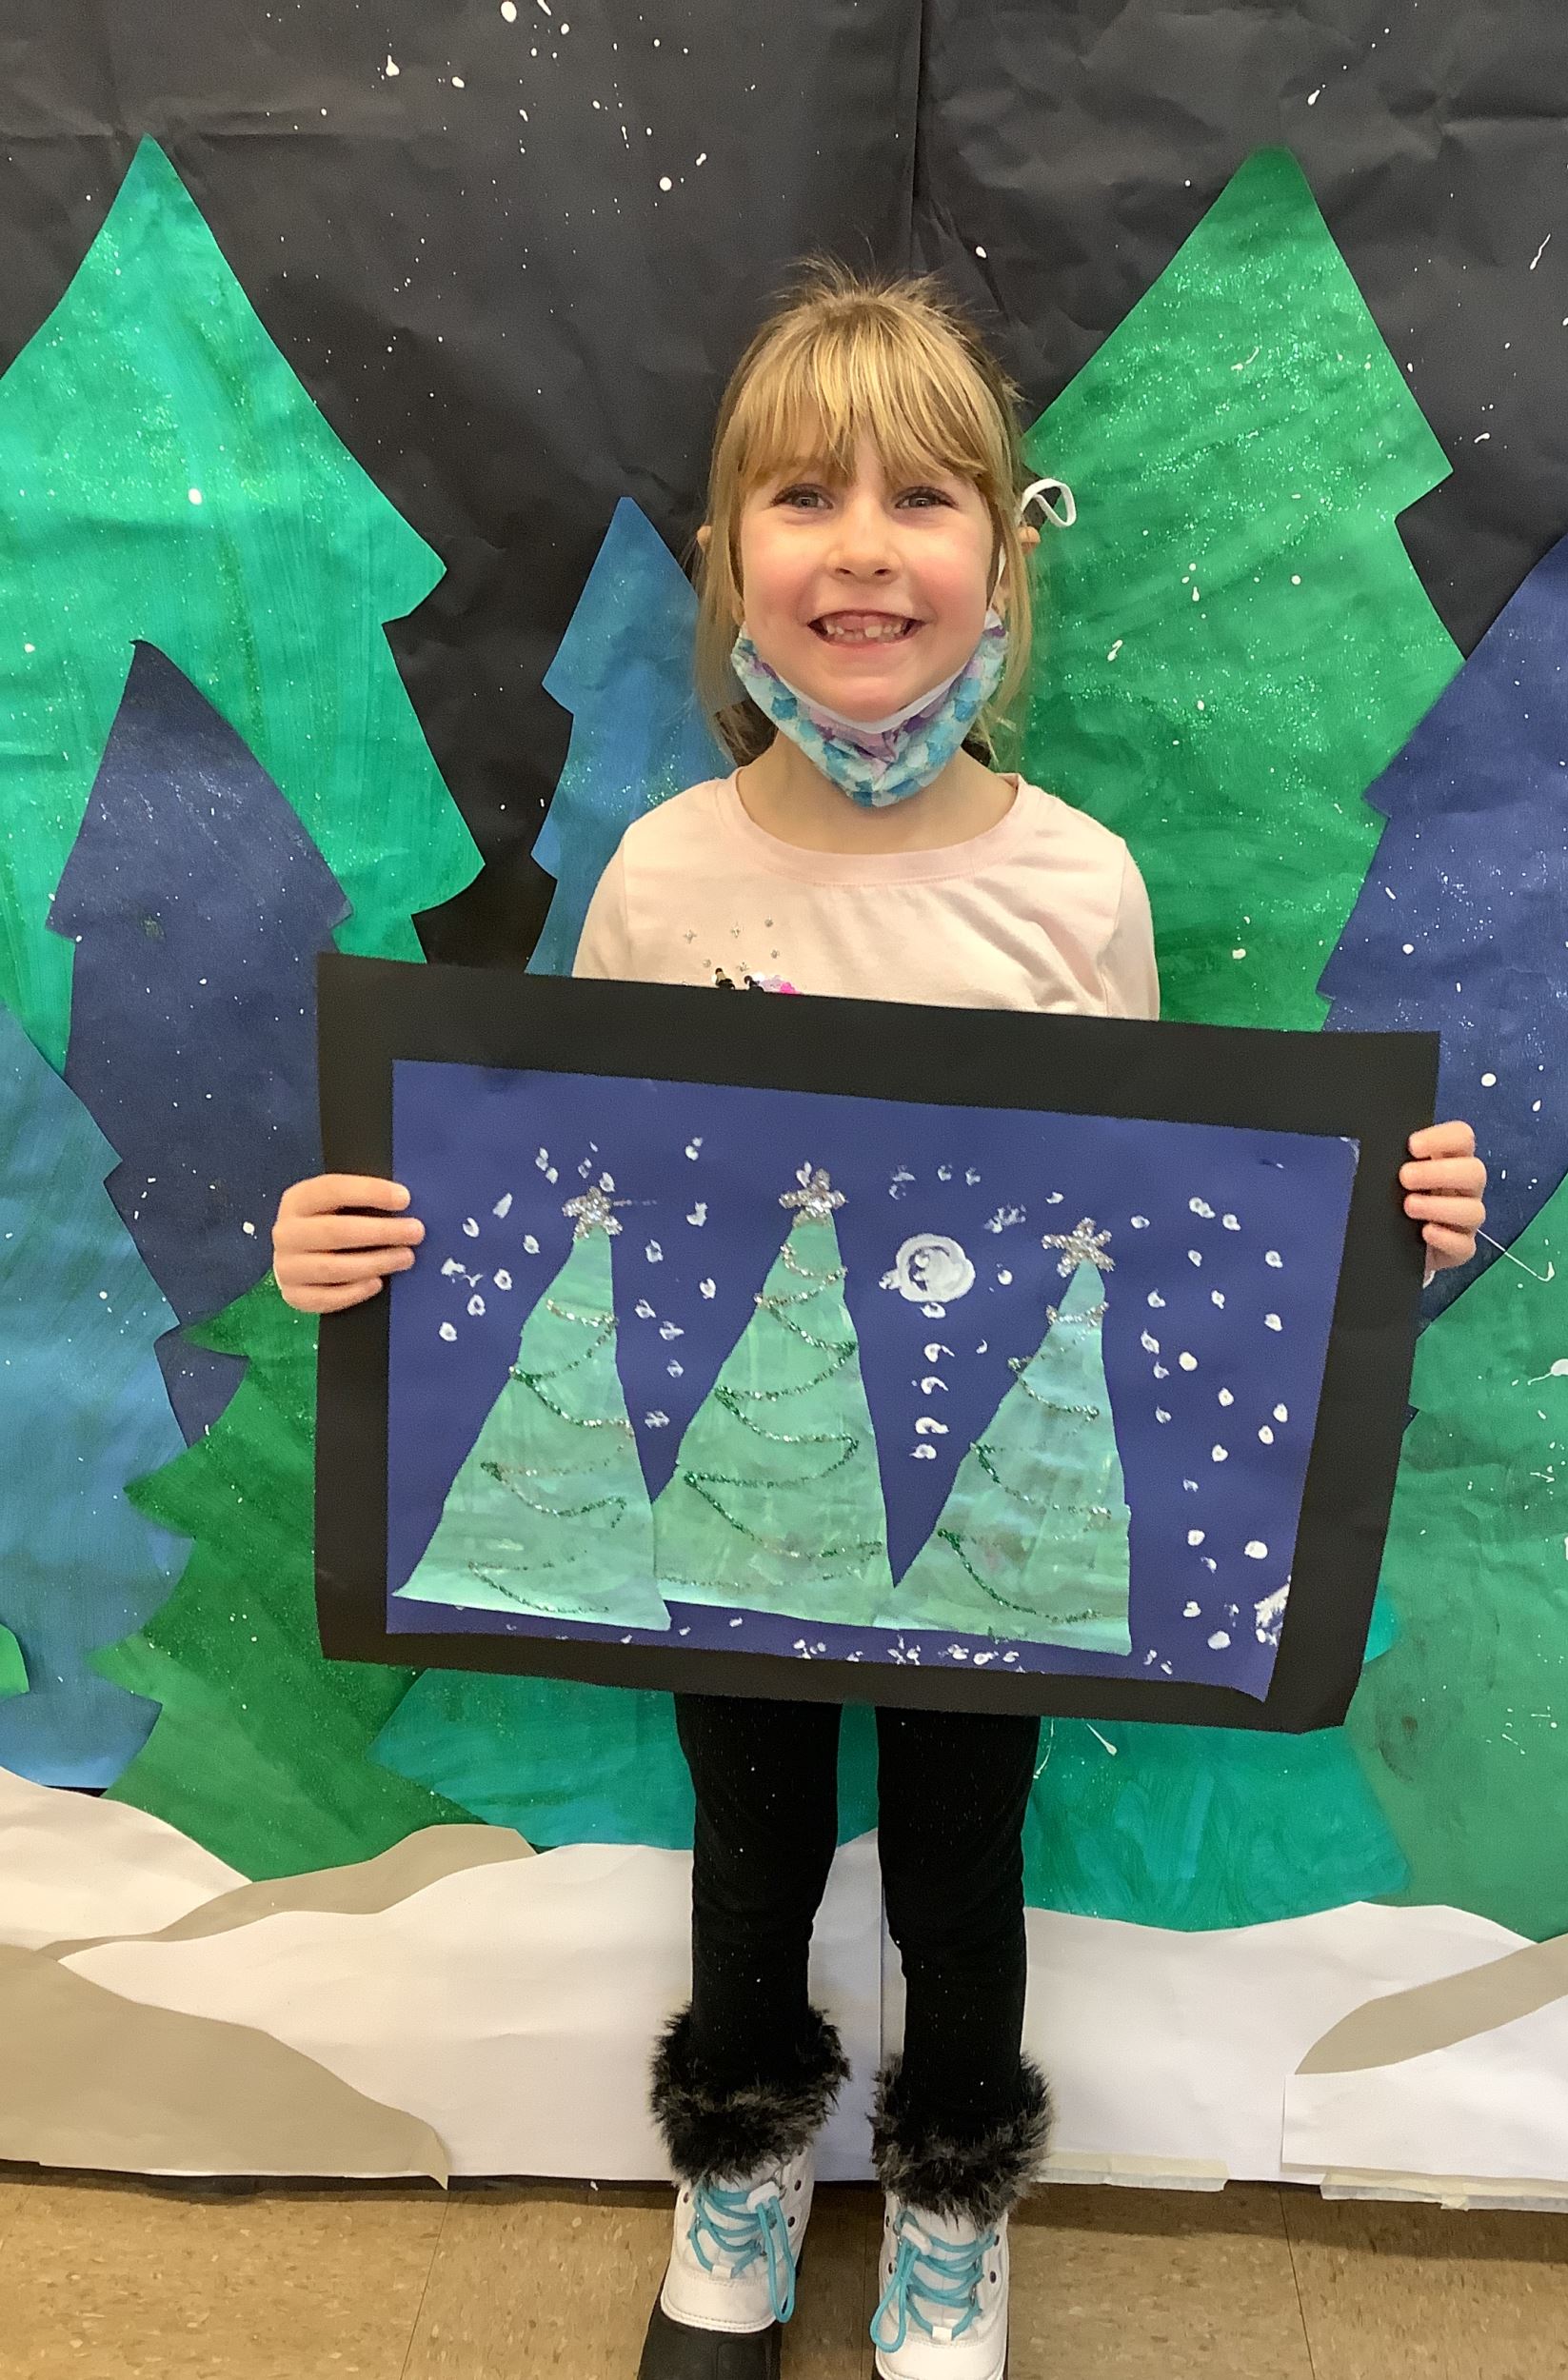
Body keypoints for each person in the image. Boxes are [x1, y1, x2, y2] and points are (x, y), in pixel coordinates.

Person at [274, 263, 1488, 2380]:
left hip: (997, 1526)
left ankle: (948, 2206)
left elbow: (1162, 1225)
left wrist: (1381, 1240)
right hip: (733, 1497)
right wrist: (363, 1239)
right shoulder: (659, 876)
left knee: (959, 1858)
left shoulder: (1079, 885)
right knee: (746, 1846)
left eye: (921, 498)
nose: (859, 548)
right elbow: (560, 1188)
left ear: (1000, 560)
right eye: (803, 497)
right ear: (728, 555)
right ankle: (740, 2171)